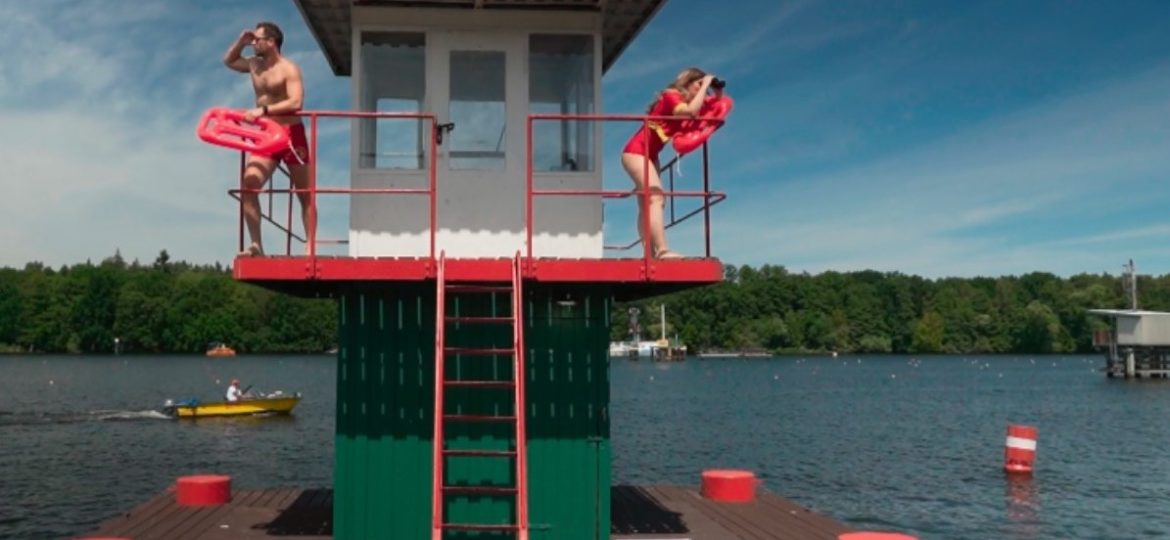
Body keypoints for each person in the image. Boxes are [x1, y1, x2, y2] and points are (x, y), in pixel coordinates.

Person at [223, 21, 314, 257]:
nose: (254, 43)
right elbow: (229, 61)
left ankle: (310, 246)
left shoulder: (288, 68)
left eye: (257, 39)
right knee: (249, 185)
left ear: (271, 42)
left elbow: (296, 102)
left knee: (305, 193)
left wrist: (262, 111)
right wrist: (241, 42)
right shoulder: (254, 65)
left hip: (291, 135)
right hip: (266, 136)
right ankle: (256, 245)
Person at [621, 67, 719, 260]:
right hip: (636, 151)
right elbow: (690, 112)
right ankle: (662, 250)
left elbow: (709, 109)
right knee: (657, 198)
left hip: (651, 155)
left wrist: (717, 92)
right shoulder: (671, 95)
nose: (702, 91)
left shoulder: (684, 102)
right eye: (698, 85)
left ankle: (649, 253)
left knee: (647, 204)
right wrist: (707, 82)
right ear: (687, 82)